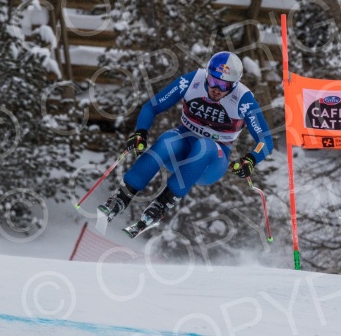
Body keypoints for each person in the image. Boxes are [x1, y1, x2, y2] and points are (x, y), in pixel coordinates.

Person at [98, 51, 274, 237]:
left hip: (211, 163)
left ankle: (160, 205)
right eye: (213, 80)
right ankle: (120, 198)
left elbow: (266, 140)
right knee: (167, 140)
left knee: (205, 145)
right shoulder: (193, 80)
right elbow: (151, 106)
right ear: (207, 74)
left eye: (223, 85)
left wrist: (251, 159)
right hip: (181, 149)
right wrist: (140, 133)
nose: (216, 88)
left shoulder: (243, 99)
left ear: (234, 85)